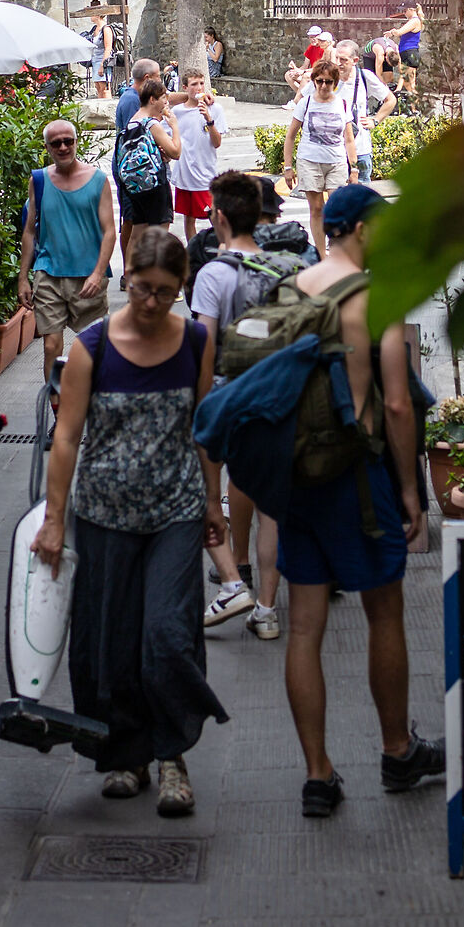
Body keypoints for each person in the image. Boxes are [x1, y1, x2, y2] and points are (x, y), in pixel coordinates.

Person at [33, 227, 228, 815]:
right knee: (110, 643)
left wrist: (212, 504)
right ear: (126, 281)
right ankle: (126, 755)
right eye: (142, 288)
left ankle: (172, 755)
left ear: (180, 290)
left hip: (173, 509)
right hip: (103, 513)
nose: (150, 302)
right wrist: (54, 517)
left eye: (165, 292)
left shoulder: (195, 341)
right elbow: (66, 437)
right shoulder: (93, 346)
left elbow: (202, 429)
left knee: (168, 635)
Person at [280, 184, 443, 818]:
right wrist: (412, 493)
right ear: (363, 231)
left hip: (299, 478)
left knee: (303, 626)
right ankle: (398, 751)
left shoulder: (295, 288)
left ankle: (318, 774)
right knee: (384, 614)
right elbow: (398, 404)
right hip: (358, 478)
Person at [188, 172, 291, 643]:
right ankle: (267, 609)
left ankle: (233, 582)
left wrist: (200, 406)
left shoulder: (213, 273)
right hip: (275, 398)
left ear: (221, 218)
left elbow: (204, 348)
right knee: (270, 506)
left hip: (227, 398)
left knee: (212, 500)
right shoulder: (282, 268)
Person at [19, 119, 116, 387]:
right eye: (56, 143)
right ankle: (59, 412)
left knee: (96, 348)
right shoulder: (38, 180)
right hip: (49, 273)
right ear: (47, 147)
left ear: (76, 142)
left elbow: (110, 231)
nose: (63, 147)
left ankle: (95, 409)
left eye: (68, 141)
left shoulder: (97, 180)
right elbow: (29, 231)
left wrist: (98, 273)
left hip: (88, 277)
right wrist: (23, 278)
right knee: (51, 346)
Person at [283, 58, 357, 257]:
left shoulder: (342, 104)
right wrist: (288, 167)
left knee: (336, 207)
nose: (324, 86)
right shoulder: (305, 103)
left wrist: (355, 167)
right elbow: (290, 136)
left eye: (328, 81)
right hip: (310, 160)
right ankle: (320, 254)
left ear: (335, 82)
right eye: (319, 81)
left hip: (336, 161)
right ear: (314, 81)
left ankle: (337, 249)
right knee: (316, 208)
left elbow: (349, 139)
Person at [114, 74, 181, 270]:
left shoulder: (131, 124)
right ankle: (158, 278)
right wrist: (175, 126)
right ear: (152, 99)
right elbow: (175, 152)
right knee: (160, 233)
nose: (166, 102)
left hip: (134, 187)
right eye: (163, 98)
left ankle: (133, 276)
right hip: (155, 185)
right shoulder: (152, 124)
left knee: (137, 233)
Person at [168, 67, 226, 242]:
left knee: (214, 215)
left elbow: (217, 143)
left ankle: (222, 248)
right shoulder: (177, 113)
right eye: (194, 84)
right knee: (188, 217)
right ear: (185, 87)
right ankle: (193, 252)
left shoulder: (215, 109)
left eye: (202, 83)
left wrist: (209, 120)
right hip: (185, 172)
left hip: (206, 172)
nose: (199, 88)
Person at [334, 40, 397, 185]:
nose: (338, 63)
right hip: (335, 151)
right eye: (336, 58)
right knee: (337, 200)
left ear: (355, 60)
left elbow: (390, 100)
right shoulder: (328, 78)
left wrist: (375, 120)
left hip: (360, 148)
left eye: (343, 60)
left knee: (361, 199)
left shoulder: (364, 77)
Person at [393, 4, 425, 95]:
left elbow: (399, 32)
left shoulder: (414, 21)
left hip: (410, 53)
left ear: (411, 9)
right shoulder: (412, 21)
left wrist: (392, 32)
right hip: (406, 52)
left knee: (406, 80)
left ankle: (397, 92)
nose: (404, 13)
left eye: (405, 11)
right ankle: (414, 108)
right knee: (409, 85)